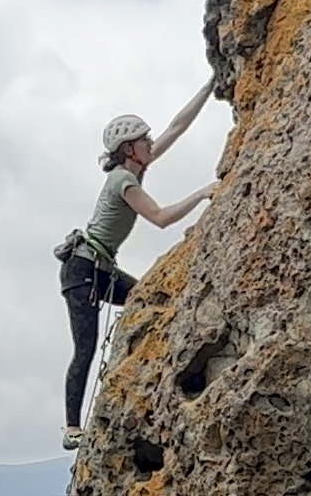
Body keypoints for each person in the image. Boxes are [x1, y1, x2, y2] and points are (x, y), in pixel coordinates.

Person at [57, 79, 220, 448]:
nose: (151, 143)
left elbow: (176, 127)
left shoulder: (134, 167)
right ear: (130, 149)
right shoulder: (123, 181)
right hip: (83, 270)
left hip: (98, 267)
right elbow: (160, 218)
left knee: (148, 299)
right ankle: (71, 428)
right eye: (144, 141)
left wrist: (210, 85)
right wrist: (202, 193)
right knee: (85, 346)